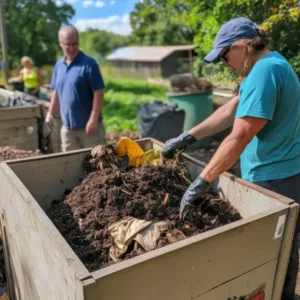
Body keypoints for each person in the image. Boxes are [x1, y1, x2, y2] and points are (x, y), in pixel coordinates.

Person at [162, 17, 300, 299]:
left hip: (276, 179)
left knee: (274, 254)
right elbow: (231, 110)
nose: (225, 64)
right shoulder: (267, 67)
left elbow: (240, 136)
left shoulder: (265, 72)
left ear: (242, 46)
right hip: (278, 173)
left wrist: (202, 181)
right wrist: (187, 137)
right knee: (278, 251)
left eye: (225, 56)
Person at [45, 25, 106, 151]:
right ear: (60, 43)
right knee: (70, 164)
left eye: (75, 44)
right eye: (68, 44)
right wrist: (50, 113)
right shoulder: (59, 66)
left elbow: (98, 92)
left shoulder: (89, 64)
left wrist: (93, 119)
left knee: (98, 163)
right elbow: (56, 92)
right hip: (67, 128)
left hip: (89, 128)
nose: (72, 48)